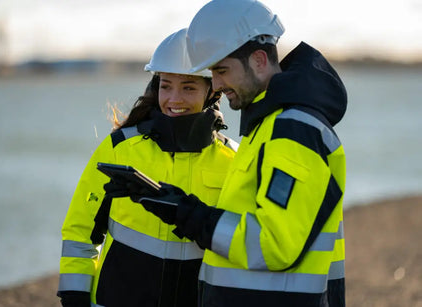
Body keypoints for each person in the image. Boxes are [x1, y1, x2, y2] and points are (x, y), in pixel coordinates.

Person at [119, 0, 348, 306]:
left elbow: (273, 244)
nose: (215, 84)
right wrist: (181, 204)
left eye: (222, 70)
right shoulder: (268, 126)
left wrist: (186, 215)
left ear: (258, 60)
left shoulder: (293, 130)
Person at [57, 28, 237, 307]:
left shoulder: (234, 160)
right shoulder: (120, 148)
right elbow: (80, 230)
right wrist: (74, 296)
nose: (174, 99)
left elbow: (243, 244)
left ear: (212, 91)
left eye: (188, 87)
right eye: (166, 85)